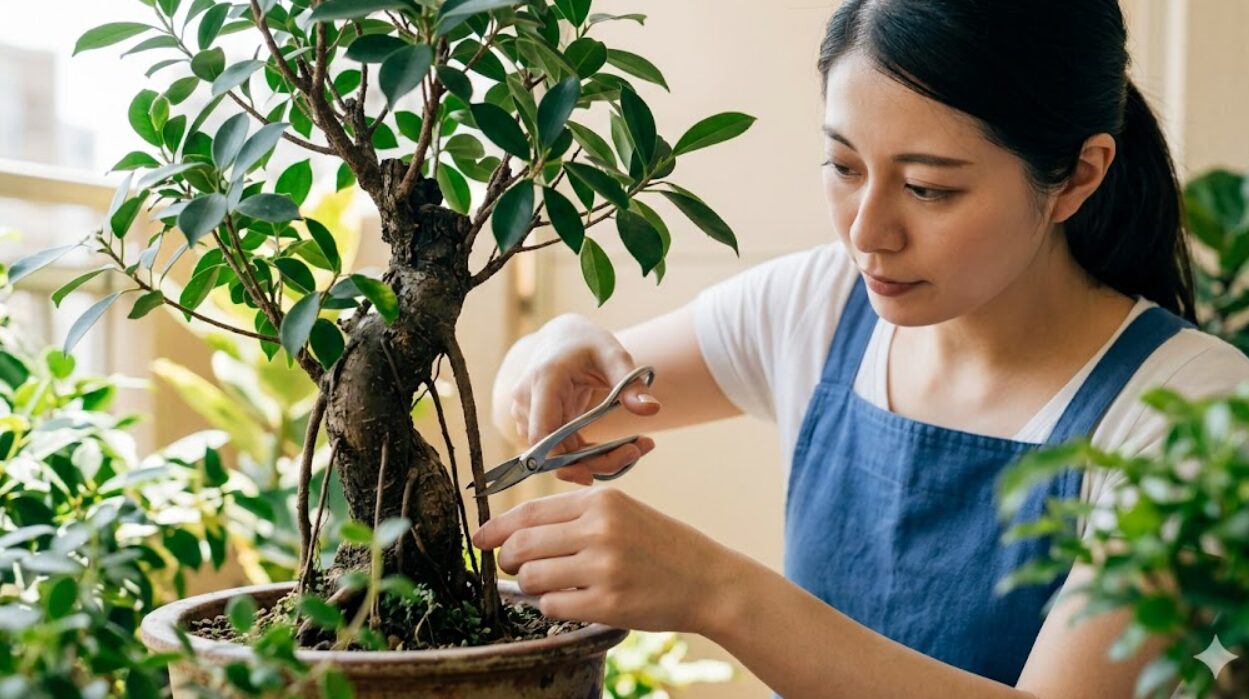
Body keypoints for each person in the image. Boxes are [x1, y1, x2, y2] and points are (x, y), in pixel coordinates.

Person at [473, 1, 1249, 697]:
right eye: (843, 166)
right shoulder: (816, 302)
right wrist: (549, 348)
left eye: (928, 188)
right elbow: (559, 407)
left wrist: (715, 590)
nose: (867, 232)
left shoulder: (1197, 414)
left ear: (1077, 176)